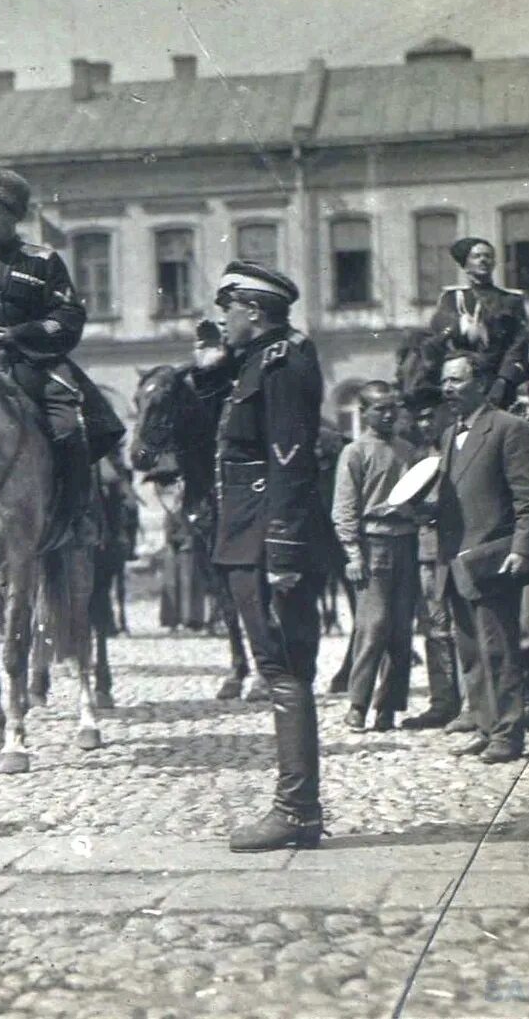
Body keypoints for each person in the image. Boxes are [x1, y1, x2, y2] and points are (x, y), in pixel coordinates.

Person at [0, 166, 124, 552]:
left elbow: (69, 316)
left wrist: (21, 334)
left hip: (36, 363)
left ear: (14, 217)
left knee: (68, 428)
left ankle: (75, 514)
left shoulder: (43, 261)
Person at [209, 261, 331, 853]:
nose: (222, 320)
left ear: (254, 312)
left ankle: (296, 811)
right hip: (251, 534)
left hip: (265, 538)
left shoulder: (281, 364)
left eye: (228, 309)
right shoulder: (261, 361)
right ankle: (297, 808)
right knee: (282, 672)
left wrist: (283, 546)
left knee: (284, 670)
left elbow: (290, 459)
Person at [428, 351, 529, 764]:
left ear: (480, 382)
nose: (447, 389)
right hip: (454, 561)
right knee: (471, 653)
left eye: (456, 380)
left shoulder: (509, 428)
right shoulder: (447, 434)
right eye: (444, 381)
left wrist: (521, 547)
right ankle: (484, 723)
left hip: (491, 558)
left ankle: (509, 732)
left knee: (500, 650)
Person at [332, 381, 420, 732]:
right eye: (380, 408)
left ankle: (389, 707)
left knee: (401, 632)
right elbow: (344, 509)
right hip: (374, 547)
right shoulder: (355, 452)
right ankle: (357, 704)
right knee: (373, 627)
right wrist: (353, 555)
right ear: (364, 412)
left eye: (393, 407)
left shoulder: (408, 451)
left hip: (406, 543)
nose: (388, 414)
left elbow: (420, 497)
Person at [400, 388, 461, 730]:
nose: (425, 423)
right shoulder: (419, 455)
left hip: (459, 549)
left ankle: (472, 705)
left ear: (445, 413)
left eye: (430, 415)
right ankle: (442, 702)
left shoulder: (459, 448)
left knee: (465, 627)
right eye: (419, 417)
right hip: (428, 552)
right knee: (435, 627)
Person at [426, 238, 529, 409]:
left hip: (497, 379)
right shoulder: (452, 298)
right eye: (476, 256)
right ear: (465, 264)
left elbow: (518, 344)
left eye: (488, 256)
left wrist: (503, 380)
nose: (483, 260)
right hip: (462, 381)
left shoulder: (511, 300)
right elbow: (439, 337)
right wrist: (459, 326)